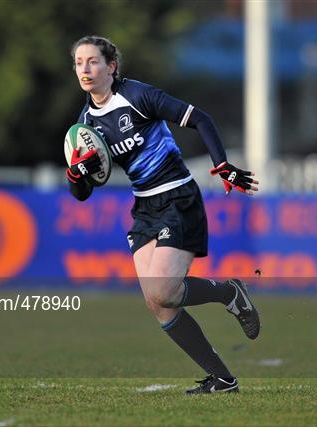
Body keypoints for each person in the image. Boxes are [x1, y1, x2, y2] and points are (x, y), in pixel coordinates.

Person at [66, 35, 260, 394]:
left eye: (92, 61)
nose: (85, 69)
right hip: (145, 207)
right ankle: (222, 379)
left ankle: (229, 293)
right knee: (158, 304)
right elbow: (82, 192)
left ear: (111, 67)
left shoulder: (138, 97)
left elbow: (200, 119)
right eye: (79, 63)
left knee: (165, 290)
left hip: (177, 198)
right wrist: (76, 174)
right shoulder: (86, 125)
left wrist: (222, 166)